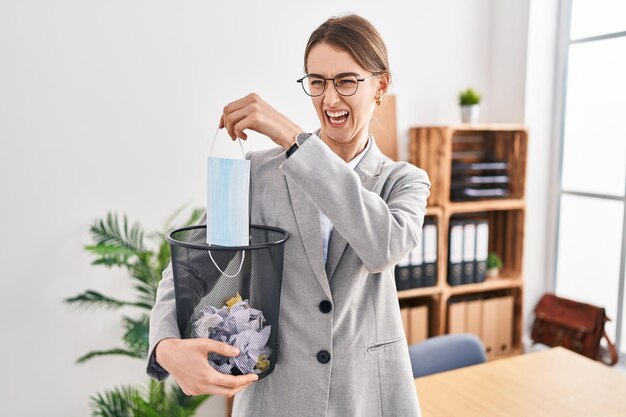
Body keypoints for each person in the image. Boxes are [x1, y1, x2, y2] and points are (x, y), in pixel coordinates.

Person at [147, 14, 430, 417]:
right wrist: (166, 346)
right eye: (317, 82)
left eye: (346, 81)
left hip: (368, 399)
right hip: (275, 400)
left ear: (380, 86)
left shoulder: (404, 181)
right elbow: (190, 268)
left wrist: (291, 137)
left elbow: (383, 246)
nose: (330, 100)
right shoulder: (260, 172)